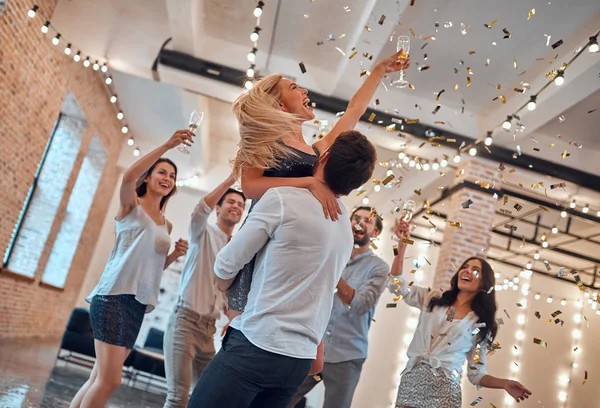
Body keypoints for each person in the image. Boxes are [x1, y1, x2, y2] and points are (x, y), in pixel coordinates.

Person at [187, 130, 378, 408]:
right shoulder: (345, 228)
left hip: (258, 344)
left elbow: (225, 264)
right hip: (298, 362)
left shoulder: (283, 199)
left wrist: (225, 286)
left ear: (323, 157)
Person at [226, 49, 410, 318]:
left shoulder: (316, 151)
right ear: (280, 105)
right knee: (243, 325)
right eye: (294, 87)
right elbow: (250, 186)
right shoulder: (265, 143)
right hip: (261, 242)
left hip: (295, 248)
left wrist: (378, 72)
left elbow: (353, 112)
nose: (304, 92)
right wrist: (310, 182)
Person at [70, 130, 193, 408]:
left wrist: (175, 254)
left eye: (172, 176)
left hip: (136, 305)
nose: (167, 179)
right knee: (110, 380)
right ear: (147, 177)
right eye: (161, 172)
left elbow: (152, 268)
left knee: (98, 378)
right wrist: (167, 145)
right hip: (113, 296)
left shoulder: (166, 224)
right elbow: (127, 177)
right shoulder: (130, 207)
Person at [387, 221, 532, 408]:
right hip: (410, 383)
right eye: (465, 266)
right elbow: (396, 285)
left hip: (444, 393)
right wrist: (401, 246)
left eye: (475, 271)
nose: (467, 270)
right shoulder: (433, 298)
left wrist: (504, 384)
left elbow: (476, 373)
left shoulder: (479, 324)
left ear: (483, 285)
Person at [288, 207, 389, 408]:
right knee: (279, 400)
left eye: (367, 221)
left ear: (375, 232)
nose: (359, 223)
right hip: (310, 346)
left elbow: (361, 305)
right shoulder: (329, 252)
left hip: (347, 355)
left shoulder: (379, 268)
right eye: (356, 218)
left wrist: (333, 269)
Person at [163, 174, 246, 408]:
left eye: (241, 204)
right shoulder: (202, 234)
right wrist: (230, 180)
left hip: (209, 331)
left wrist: (234, 317)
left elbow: (228, 293)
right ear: (218, 208)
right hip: (185, 324)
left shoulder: (237, 249)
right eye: (231, 202)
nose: (236, 206)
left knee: (208, 400)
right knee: (178, 398)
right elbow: (200, 210)